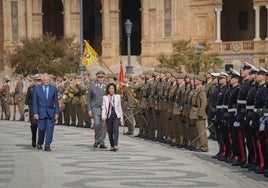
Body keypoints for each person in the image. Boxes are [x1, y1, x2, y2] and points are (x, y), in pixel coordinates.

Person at [33, 73, 60, 151]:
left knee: (50, 130)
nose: (47, 81)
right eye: (45, 80)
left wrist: (57, 113)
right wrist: (35, 113)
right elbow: (35, 102)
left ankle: (47, 145)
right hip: (41, 112)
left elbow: (56, 102)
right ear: (42, 80)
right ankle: (40, 142)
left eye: (48, 80)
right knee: (41, 129)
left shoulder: (53, 88)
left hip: (51, 112)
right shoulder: (37, 89)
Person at [88, 71, 107, 148]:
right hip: (95, 108)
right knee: (96, 124)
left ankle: (102, 141)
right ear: (97, 78)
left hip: (104, 108)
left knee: (103, 125)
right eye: (99, 77)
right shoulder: (92, 86)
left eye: (102, 77)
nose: (100, 79)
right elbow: (89, 99)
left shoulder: (107, 86)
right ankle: (96, 140)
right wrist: (89, 109)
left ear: (104, 78)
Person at [102, 83, 123, 151]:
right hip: (109, 115)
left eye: (113, 89)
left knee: (115, 129)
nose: (111, 90)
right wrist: (103, 116)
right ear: (108, 89)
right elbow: (104, 107)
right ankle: (112, 145)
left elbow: (120, 107)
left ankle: (116, 144)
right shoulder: (105, 97)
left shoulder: (118, 96)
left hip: (116, 115)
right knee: (110, 131)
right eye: (110, 88)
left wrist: (121, 119)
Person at [25, 74, 42, 147]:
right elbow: (26, 101)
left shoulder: (44, 88)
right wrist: (26, 111)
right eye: (37, 80)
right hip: (33, 109)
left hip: (42, 109)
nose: (38, 82)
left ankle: (40, 142)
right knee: (34, 125)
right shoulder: (30, 88)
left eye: (39, 80)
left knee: (42, 127)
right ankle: (34, 139)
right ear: (35, 81)